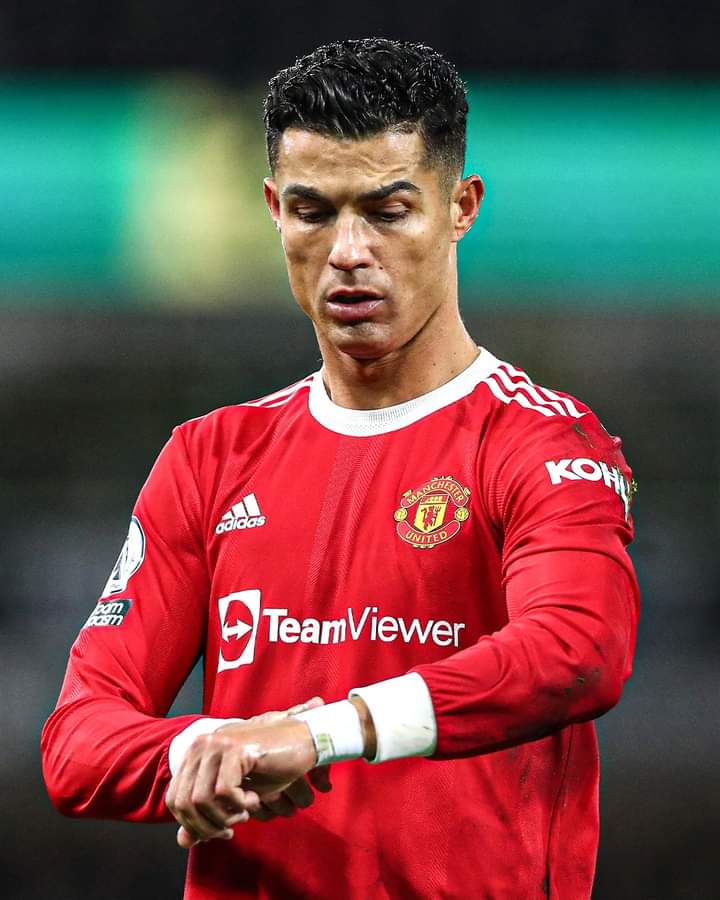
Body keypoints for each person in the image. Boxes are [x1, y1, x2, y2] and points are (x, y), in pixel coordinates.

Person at [41, 38, 639, 899]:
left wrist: (323, 733)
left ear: (460, 207)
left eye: (388, 211)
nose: (348, 250)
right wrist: (200, 751)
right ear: (274, 210)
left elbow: (577, 650)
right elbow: (76, 740)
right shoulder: (211, 456)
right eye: (313, 212)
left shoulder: (542, 442)